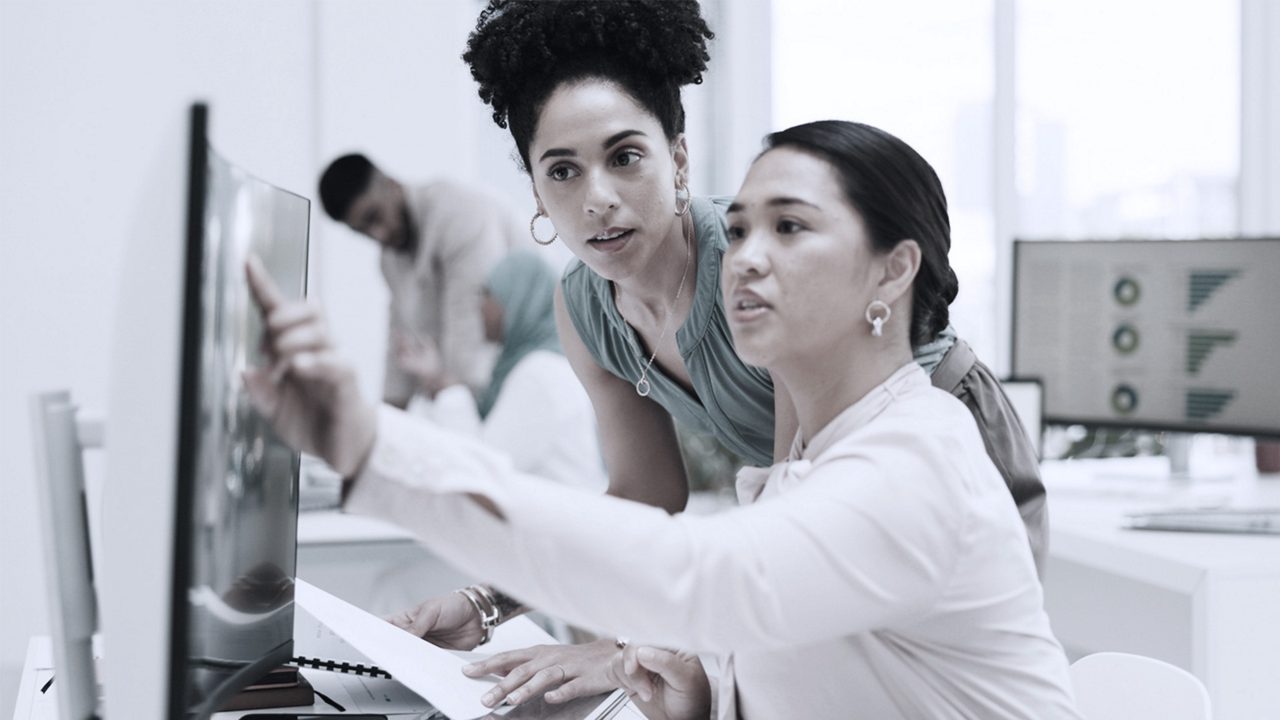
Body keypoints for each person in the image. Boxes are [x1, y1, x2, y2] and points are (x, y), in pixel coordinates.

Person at [243, 119, 1081, 719]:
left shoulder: (917, 456)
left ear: (893, 272)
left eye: (789, 227)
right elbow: (817, 661)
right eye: (743, 227)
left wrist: (370, 446)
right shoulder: (806, 461)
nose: (746, 254)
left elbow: (709, 579)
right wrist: (702, 697)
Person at [353, 0, 1047, 707]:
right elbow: (647, 493)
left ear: (677, 157)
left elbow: (765, 541)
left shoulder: (751, 277)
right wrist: (487, 603)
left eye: (625, 158)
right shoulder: (584, 304)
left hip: (921, 431)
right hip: (802, 498)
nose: (597, 199)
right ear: (534, 190)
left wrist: (620, 651)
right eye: (562, 172)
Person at [318, 153, 521, 408]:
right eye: (362, 231)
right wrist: (385, 426)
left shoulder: (458, 214)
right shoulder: (389, 258)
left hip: (525, 374)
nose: (377, 235)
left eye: (374, 217)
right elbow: (401, 344)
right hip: (478, 390)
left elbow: (471, 332)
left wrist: (457, 413)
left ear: (392, 185)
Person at [398, 250, 605, 490]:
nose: (480, 305)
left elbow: (482, 467)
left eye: (488, 293)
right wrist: (435, 380)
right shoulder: (523, 365)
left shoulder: (542, 374)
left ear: (518, 299)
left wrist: (447, 387)